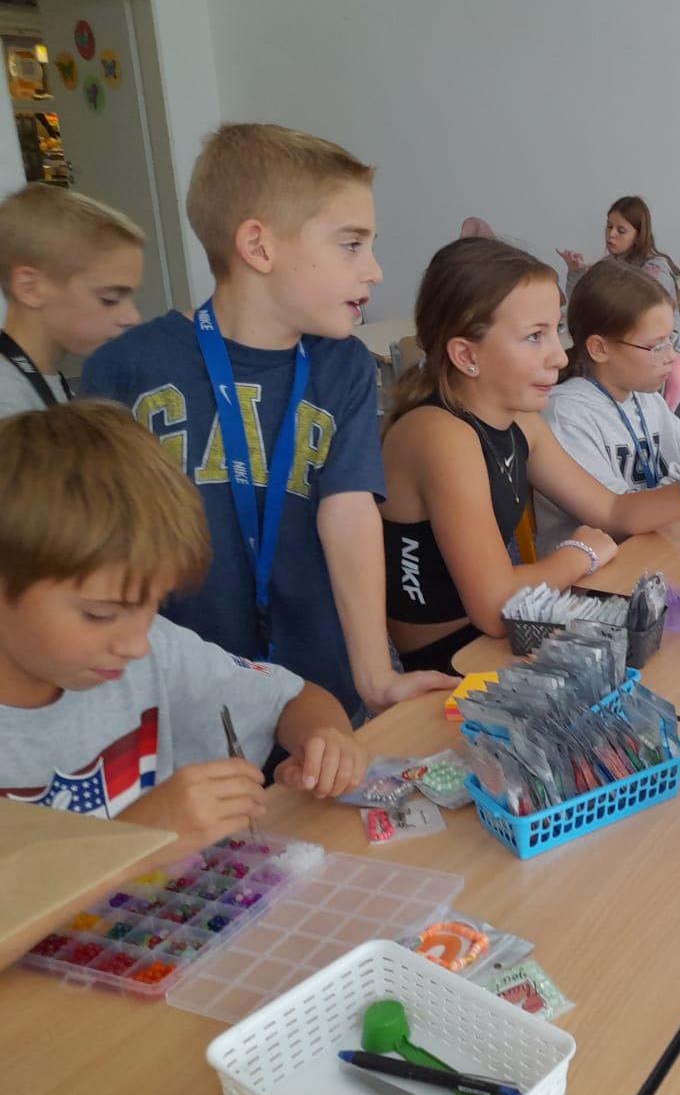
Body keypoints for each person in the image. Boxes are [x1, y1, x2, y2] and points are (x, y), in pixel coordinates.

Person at [81, 122, 455, 719]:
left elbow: (349, 514)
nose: (375, 270)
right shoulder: (125, 368)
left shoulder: (343, 366)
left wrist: (376, 676)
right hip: (173, 699)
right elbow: (86, 545)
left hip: (321, 689)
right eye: (351, 244)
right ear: (258, 247)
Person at [379, 240, 680, 673]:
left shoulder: (520, 420)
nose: (560, 355)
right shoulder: (441, 436)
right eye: (534, 336)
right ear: (467, 355)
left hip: (514, 626)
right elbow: (493, 606)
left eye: (555, 330)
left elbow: (613, 509)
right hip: (453, 657)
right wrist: (579, 553)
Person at [0, 400, 368, 841]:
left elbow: (295, 698)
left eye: (152, 604)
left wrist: (326, 740)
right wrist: (136, 837)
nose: (136, 644)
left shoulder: (157, 651)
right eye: (100, 614)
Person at [535, 258, 680, 556]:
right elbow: (622, 518)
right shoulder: (567, 416)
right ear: (600, 348)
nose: (672, 356)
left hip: (656, 549)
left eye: (671, 339)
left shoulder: (644, 398)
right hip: (601, 573)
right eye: (656, 346)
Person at [0, 184, 143, 418]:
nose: (133, 317)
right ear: (30, 288)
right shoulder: (8, 404)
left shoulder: (46, 383)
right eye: (109, 299)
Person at [557, 196, 680, 407]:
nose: (611, 234)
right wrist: (575, 274)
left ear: (638, 235)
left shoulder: (656, 269)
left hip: (656, 345)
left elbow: (660, 326)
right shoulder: (608, 266)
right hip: (620, 341)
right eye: (609, 226)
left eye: (621, 230)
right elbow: (581, 309)